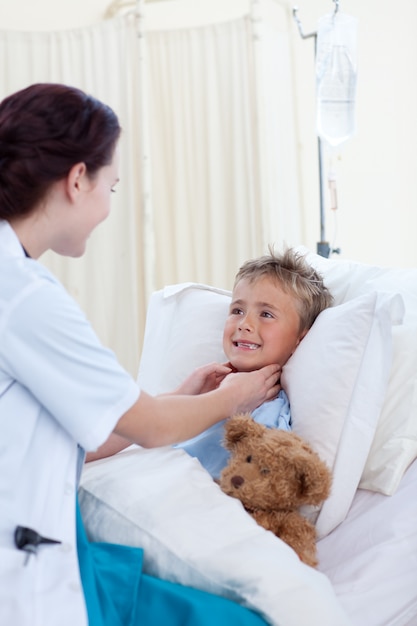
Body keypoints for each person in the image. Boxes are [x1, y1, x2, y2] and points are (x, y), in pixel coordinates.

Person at [0, 83, 280, 626]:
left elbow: (76, 434)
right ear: (78, 180)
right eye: (113, 185)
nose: (109, 206)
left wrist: (178, 398)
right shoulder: (25, 296)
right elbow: (149, 427)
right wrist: (233, 397)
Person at [176, 248, 333, 478]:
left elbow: (260, 482)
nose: (244, 324)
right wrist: (183, 396)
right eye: (237, 310)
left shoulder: (269, 410)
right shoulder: (205, 387)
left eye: (266, 314)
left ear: (301, 339)